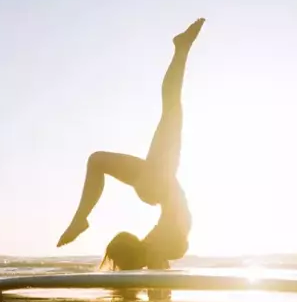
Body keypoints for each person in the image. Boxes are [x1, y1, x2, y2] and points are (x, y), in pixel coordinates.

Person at [57, 18, 204, 270]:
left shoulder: (154, 247)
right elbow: (160, 267)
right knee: (170, 106)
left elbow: (159, 266)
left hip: (158, 184)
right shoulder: (157, 248)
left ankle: (181, 49)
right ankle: (181, 48)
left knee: (170, 107)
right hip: (159, 184)